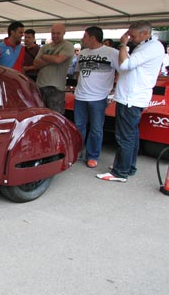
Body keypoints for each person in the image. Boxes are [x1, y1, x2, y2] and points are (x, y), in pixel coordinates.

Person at [97, 21, 164, 183]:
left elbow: (125, 65)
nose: (130, 38)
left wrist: (122, 45)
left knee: (124, 136)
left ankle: (120, 172)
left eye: (133, 36)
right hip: (132, 97)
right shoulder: (147, 46)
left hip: (131, 98)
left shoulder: (151, 47)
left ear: (145, 34)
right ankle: (128, 167)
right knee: (131, 135)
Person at [73, 26, 119, 169]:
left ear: (92, 38)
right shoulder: (82, 53)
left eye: (85, 36)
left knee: (96, 128)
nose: (82, 39)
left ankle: (92, 156)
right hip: (80, 96)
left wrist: (113, 87)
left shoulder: (112, 52)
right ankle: (77, 152)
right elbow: (77, 72)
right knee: (78, 126)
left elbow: (122, 70)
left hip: (99, 97)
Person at [25, 23, 73, 113]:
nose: (55, 36)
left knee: (55, 115)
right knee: (40, 114)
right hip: (40, 86)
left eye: (58, 33)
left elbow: (58, 60)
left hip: (56, 88)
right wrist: (53, 58)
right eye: (53, 33)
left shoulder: (68, 46)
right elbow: (36, 64)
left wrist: (44, 56)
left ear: (64, 33)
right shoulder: (45, 47)